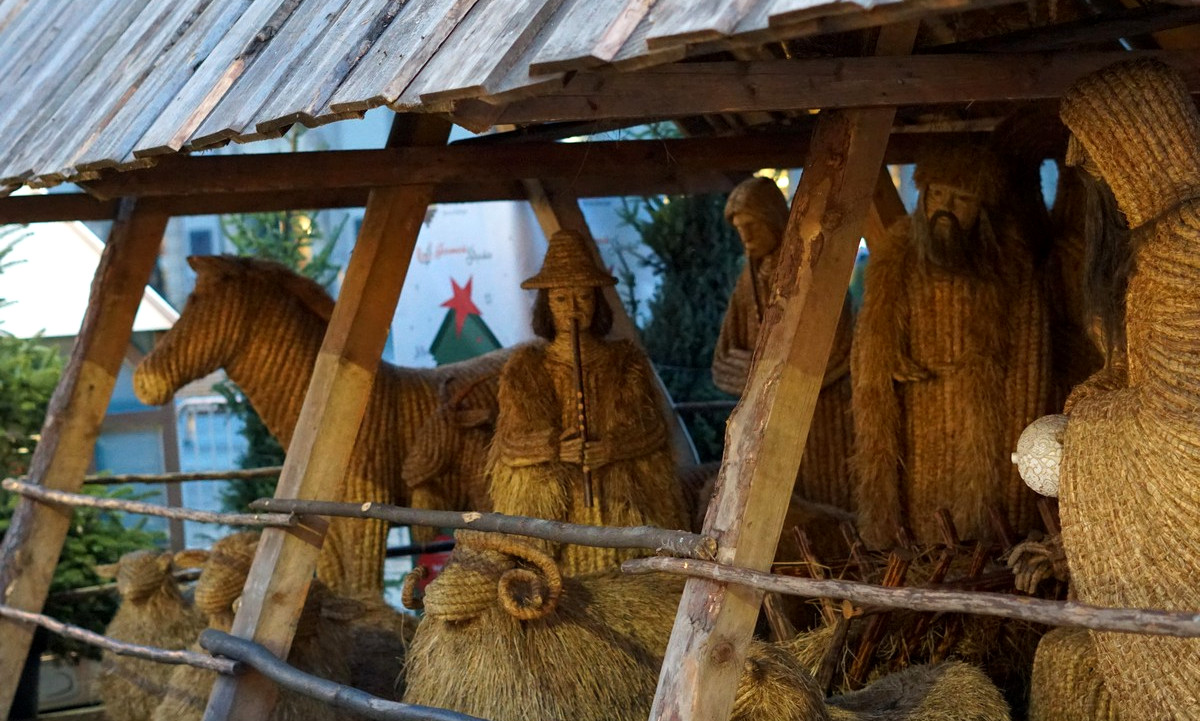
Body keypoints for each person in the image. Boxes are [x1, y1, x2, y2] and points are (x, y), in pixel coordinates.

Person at [1045, 58, 1200, 720]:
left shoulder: (1186, 248)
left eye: (1098, 169)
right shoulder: (1154, 248)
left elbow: (1178, 419)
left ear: (1134, 153)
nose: (1093, 186)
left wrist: (1083, 435)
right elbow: (1139, 367)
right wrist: (1098, 393)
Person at [852, 144, 1050, 549]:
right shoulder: (894, 259)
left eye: (961, 199)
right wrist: (885, 359)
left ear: (983, 209)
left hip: (983, 418)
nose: (945, 207)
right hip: (914, 412)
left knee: (978, 517)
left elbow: (1032, 359)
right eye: (938, 194)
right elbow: (868, 339)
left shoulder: (1009, 266)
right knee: (916, 513)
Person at [488, 230, 689, 575]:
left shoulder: (625, 363)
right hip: (559, 516)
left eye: (583, 296)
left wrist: (612, 447)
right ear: (547, 305)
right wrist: (554, 447)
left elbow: (654, 431)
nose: (573, 308)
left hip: (620, 507)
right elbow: (511, 444)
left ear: (597, 301)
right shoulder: (525, 370)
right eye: (560, 299)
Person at [712, 177, 856, 512]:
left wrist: (776, 374)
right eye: (739, 229)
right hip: (767, 421)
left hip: (820, 413)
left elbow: (837, 347)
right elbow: (722, 359)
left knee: (827, 493)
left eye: (752, 226)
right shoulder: (748, 282)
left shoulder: (815, 271)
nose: (745, 237)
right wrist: (764, 373)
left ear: (773, 219)